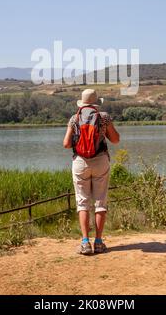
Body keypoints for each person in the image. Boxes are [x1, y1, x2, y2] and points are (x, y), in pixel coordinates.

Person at [63, 88, 120, 255]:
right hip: (100, 160)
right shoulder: (104, 117)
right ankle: (99, 242)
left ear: (82, 103)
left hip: (80, 162)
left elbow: (66, 144)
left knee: (82, 202)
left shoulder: (74, 119)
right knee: (100, 202)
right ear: (96, 103)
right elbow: (116, 140)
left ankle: (85, 243)